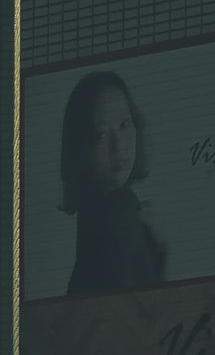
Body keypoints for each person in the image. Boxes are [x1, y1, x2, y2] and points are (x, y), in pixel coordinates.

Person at [58, 67, 167, 295]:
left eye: (125, 124)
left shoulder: (93, 214)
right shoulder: (119, 207)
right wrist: (167, 251)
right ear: (81, 147)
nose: (119, 146)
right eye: (101, 135)